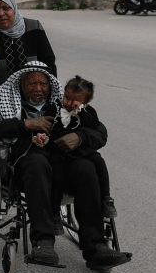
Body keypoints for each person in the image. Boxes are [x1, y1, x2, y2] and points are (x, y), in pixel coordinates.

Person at [0, 62, 129, 269]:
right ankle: (43, 241)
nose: (38, 89)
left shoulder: (65, 100)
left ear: (50, 85)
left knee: (86, 168)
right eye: (31, 84)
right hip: (26, 163)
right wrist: (24, 125)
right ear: (20, 83)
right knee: (37, 163)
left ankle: (96, 247)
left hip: (63, 163)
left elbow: (100, 132)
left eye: (43, 83)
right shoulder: (5, 100)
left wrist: (79, 137)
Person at [47, 75, 117, 221]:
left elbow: (94, 126)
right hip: (60, 151)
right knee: (57, 176)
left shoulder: (88, 112)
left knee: (98, 161)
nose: (69, 103)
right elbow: (48, 128)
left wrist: (81, 112)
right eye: (67, 97)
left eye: (76, 101)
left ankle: (106, 198)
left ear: (85, 102)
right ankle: (54, 214)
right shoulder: (54, 107)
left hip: (81, 151)